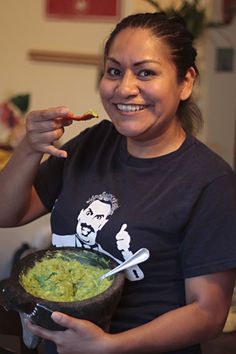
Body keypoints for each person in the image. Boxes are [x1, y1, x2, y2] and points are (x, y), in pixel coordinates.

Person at [0, 11, 236, 354]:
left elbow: (207, 312)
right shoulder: (93, 142)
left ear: (185, 82)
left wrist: (110, 347)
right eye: (114, 71)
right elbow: (8, 213)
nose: (125, 87)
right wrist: (28, 147)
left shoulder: (210, 181)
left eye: (146, 72)